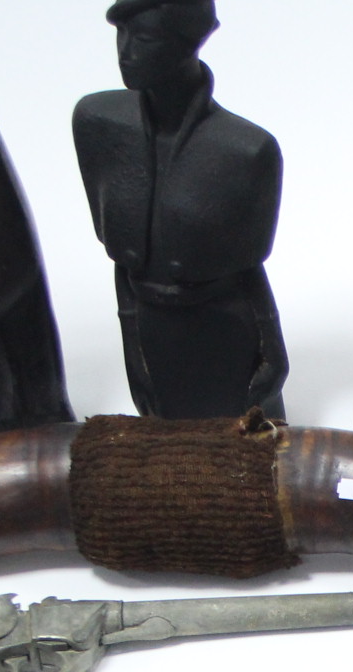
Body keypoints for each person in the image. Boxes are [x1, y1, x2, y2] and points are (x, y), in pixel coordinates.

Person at [73, 0, 289, 420]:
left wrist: (273, 351)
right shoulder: (97, 124)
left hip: (225, 333)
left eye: (145, 38)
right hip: (153, 332)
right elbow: (125, 267)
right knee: (171, 456)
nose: (126, 51)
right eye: (121, 34)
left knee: (246, 451)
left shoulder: (247, 151)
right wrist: (133, 348)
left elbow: (250, 271)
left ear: (188, 41)